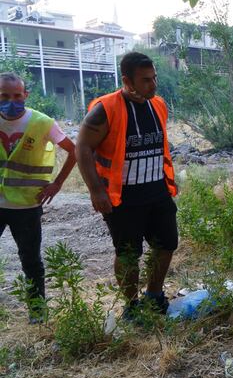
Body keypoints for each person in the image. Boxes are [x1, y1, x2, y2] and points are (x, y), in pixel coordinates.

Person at [75, 52, 178, 320]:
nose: (153, 84)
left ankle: (154, 296)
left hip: (157, 191)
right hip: (123, 198)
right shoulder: (106, 109)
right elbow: (83, 147)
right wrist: (96, 190)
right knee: (128, 253)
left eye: (154, 78)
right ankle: (131, 305)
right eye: (145, 80)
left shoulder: (158, 105)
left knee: (167, 244)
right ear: (127, 80)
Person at [0, 72, 76, 322]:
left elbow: (74, 151)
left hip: (27, 206)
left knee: (30, 260)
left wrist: (57, 184)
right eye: (4, 96)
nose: (11, 100)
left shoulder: (42, 123)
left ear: (25, 95)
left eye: (16, 96)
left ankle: (37, 312)